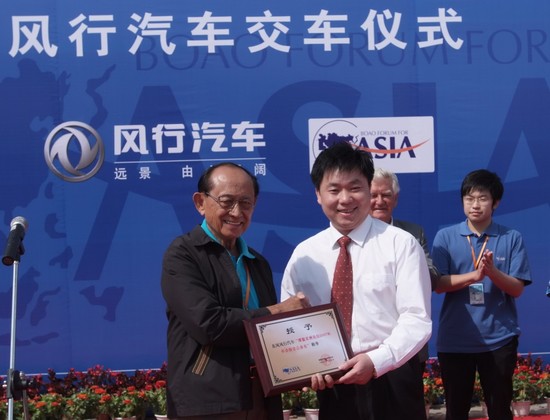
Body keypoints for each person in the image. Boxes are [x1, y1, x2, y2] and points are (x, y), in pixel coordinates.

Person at [281, 142, 432, 420]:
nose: (345, 199)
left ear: (368, 189)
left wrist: (376, 361)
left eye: (355, 188)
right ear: (318, 195)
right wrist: (307, 364)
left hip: (392, 375)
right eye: (334, 189)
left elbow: (417, 318)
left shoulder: (400, 244)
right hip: (333, 381)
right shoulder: (304, 255)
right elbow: (291, 323)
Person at [161, 162, 310, 419]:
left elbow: (271, 335)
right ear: (200, 202)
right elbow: (209, 324)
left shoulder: (257, 262)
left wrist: (309, 362)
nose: (237, 212)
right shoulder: (183, 254)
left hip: (261, 395)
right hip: (208, 401)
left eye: (246, 203)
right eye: (227, 201)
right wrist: (277, 311)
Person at [431, 169, 532, 420]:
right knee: (456, 411)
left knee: (500, 410)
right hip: (455, 340)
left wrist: (492, 273)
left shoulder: (511, 238)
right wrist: (474, 277)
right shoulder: (446, 237)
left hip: (499, 339)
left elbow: (517, 289)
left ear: (495, 202)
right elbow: (438, 284)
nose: (475, 205)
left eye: (482, 198)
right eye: (469, 198)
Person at [370, 167, 440, 289]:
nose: (380, 201)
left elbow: (433, 280)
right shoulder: (352, 234)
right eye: (373, 195)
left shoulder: (414, 233)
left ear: (395, 199)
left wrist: (409, 263)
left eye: (386, 195)